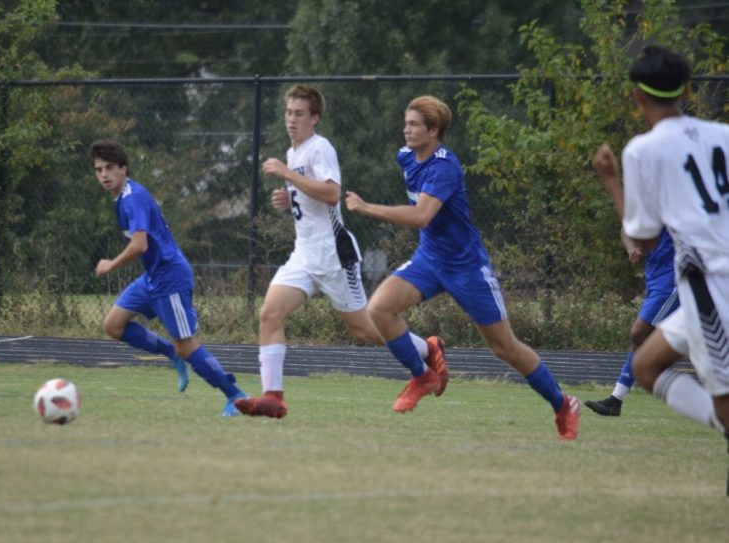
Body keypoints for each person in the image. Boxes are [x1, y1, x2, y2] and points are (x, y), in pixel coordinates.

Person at [345, 95, 581, 440]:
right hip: (429, 259)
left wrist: (368, 208)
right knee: (379, 309)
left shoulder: (445, 167)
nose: (405, 129)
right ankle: (422, 374)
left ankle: (563, 404)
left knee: (505, 348)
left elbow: (422, 215)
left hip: (466, 267)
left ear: (434, 130)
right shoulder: (406, 156)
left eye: (413, 124)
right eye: (406, 122)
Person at [234, 85, 447, 419]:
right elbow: (313, 201)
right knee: (269, 314)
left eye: (300, 114)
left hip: (334, 255)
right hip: (304, 254)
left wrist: (287, 175)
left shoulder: (320, 148)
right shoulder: (294, 153)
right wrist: (289, 201)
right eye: (289, 112)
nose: (292, 119)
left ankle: (426, 347)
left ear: (315, 118)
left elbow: (332, 194)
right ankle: (273, 397)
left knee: (364, 330)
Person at [598, 46, 729, 487]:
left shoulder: (642, 150)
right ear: (688, 90)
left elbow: (642, 239)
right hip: (703, 288)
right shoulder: (724, 134)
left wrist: (611, 180)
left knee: (724, 405)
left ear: (637, 97)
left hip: (714, 283)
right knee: (646, 365)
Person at [90, 139, 247, 416]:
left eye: (110, 167)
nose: (104, 174)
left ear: (124, 169)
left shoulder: (132, 197)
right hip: (152, 277)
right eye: (99, 169)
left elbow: (140, 245)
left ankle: (234, 395)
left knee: (186, 345)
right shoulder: (122, 199)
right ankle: (171, 354)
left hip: (170, 277)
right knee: (113, 325)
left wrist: (110, 265)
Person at [585, 145, 679, 417]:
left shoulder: (679, 197)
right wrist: (631, 248)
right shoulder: (646, 199)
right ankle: (617, 399)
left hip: (674, 281)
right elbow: (627, 229)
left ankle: (618, 398)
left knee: (640, 333)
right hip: (656, 277)